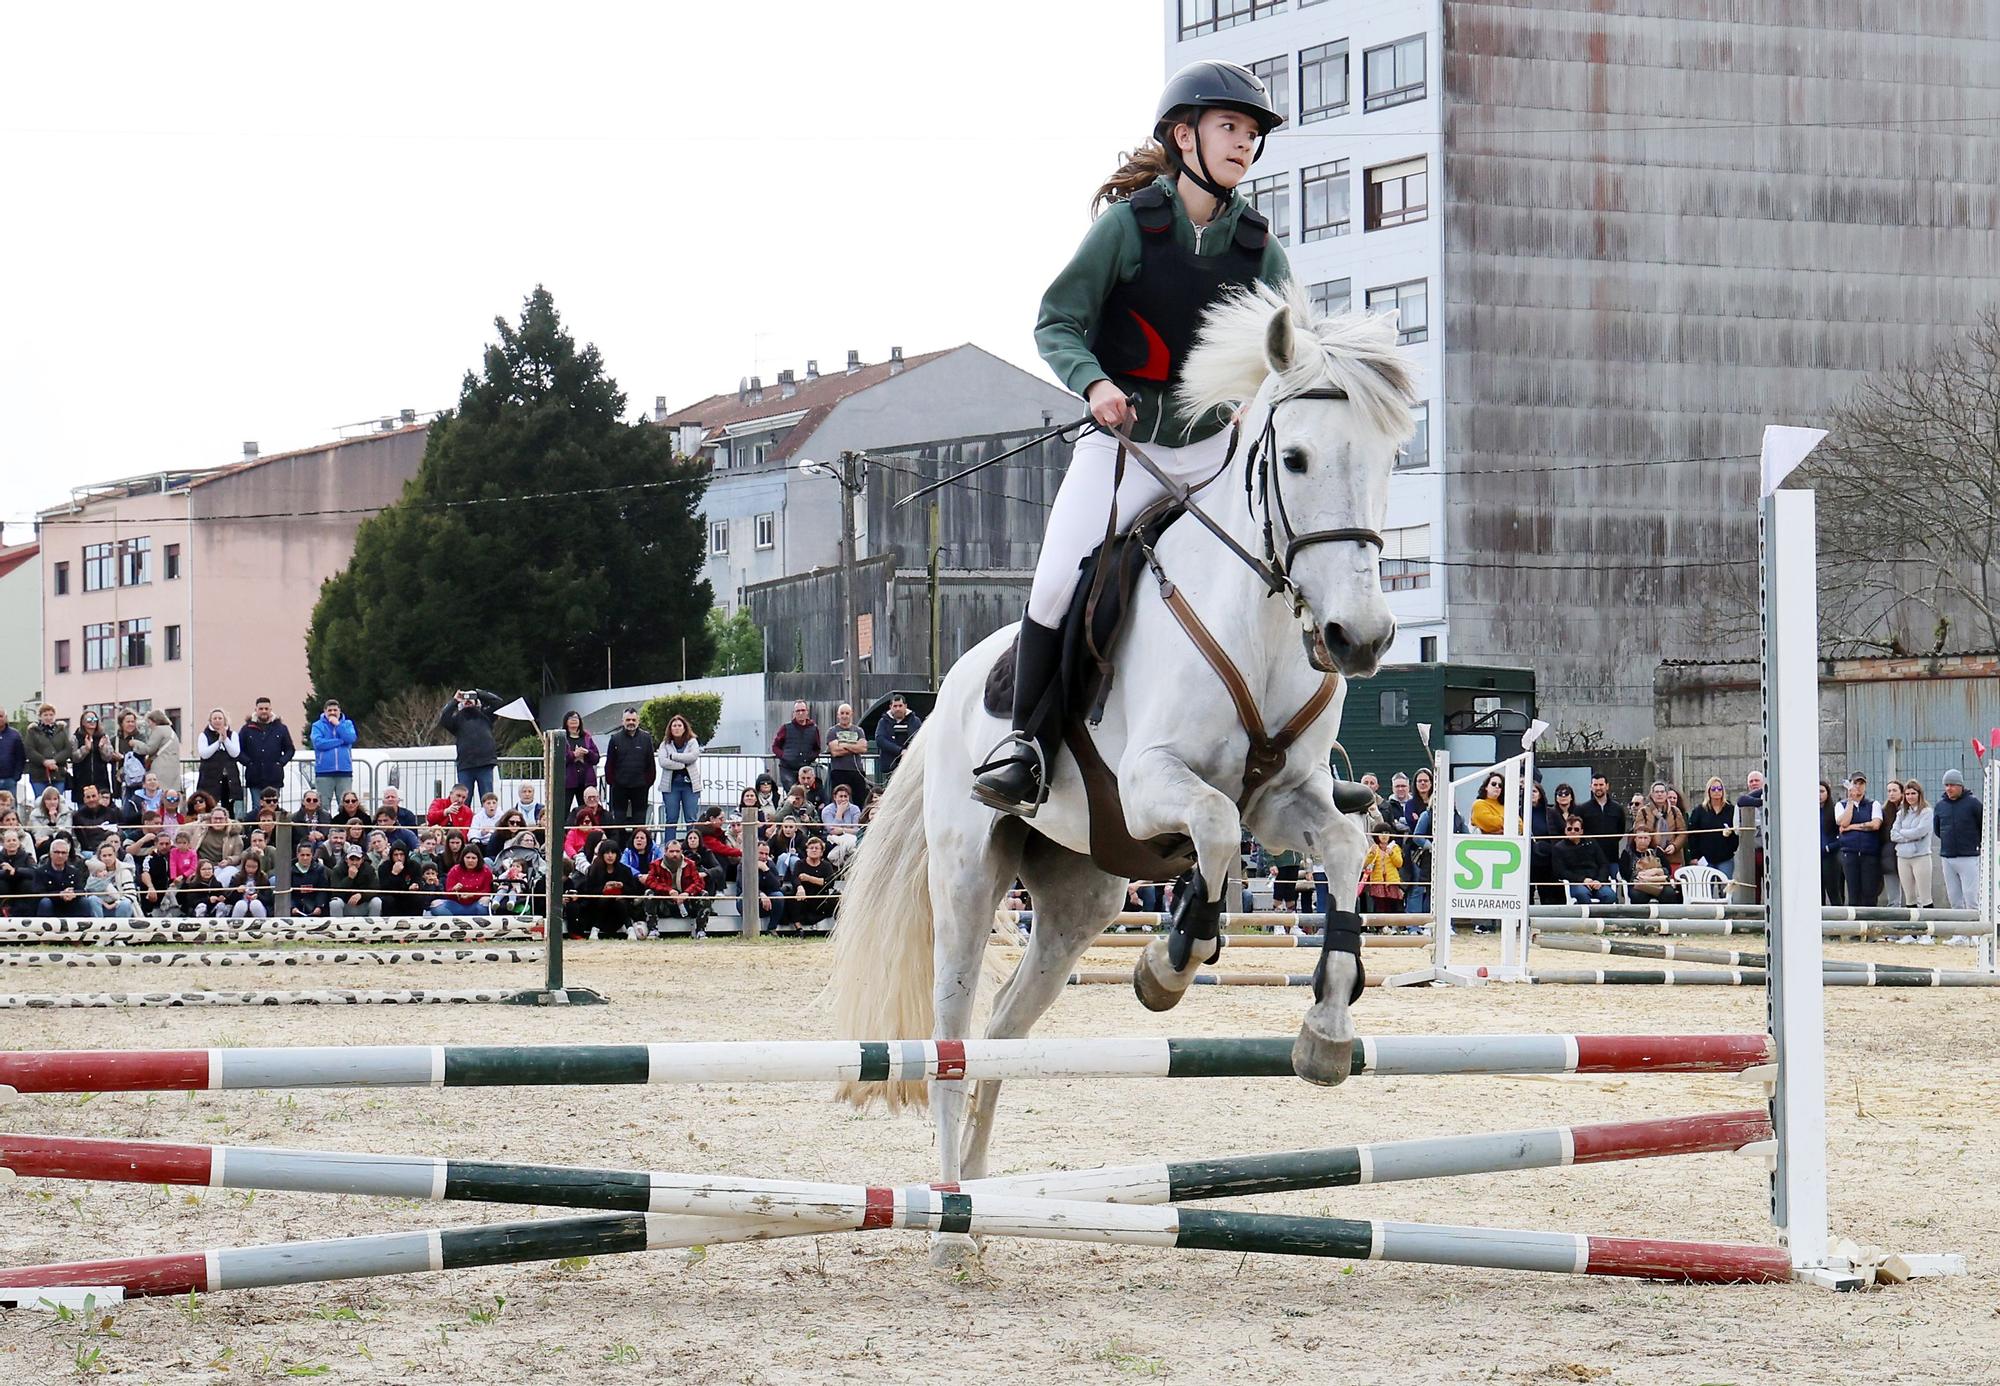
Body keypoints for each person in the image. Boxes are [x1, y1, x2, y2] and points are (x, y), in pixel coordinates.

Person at [972, 59, 1289, 815]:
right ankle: (1025, 745)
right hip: (1127, 449)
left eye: (1251, 133)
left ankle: (1302, 752)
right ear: (1184, 136)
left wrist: (1257, 400)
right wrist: (1094, 383)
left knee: (1280, 572)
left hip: (1216, 453)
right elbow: (1057, 322)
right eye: (1230, 128)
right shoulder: (1128, 228)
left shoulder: (1259, 247)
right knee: (1056, 581)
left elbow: (1288, 346)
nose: (1245, 144)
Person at [601, 708, 657, 839]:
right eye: (628, 720)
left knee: (639, 822)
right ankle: (618, 849)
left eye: (633, 720)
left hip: (640, 787)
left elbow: (650, 763)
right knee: (619, 821)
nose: (631, 722)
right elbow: (610, 763)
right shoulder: (615, 739)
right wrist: (613, 782)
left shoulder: (646, 738)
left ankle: (639, 849)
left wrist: (647, 782)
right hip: (620, 787)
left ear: (638, 721)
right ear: (622, 721)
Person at [236, 698, 296, 819]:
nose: (264, 711)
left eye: (266, 709)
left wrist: (280, 763)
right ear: (256, 710)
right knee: (257, 809)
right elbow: (238, 750)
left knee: (273, 808)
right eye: (261, 709)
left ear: (271, 710)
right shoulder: (246, 729)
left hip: (274, 776)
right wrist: (249, 763)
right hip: (254, 777)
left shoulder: (281, 728)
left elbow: (290, 749)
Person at [439, 688, 505, 798]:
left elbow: (498, 703)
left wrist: (478, 693)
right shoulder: (456, 720)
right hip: (465, 765)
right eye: (465, 699)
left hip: (485, 764)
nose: (468, 701)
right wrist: (455, 700)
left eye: (471, 699)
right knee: (463, 800)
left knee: (488, 799)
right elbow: (444, 717)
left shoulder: (486, 715)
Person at [565, 839, 637, 939]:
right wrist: (603, 890)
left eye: (613, 852)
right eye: (607, 852)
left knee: (620, 902)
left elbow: (633, 892)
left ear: (617, 854)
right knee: (606, 899)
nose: (610, 855)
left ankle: (630, 929)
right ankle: (595, 929)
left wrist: (622, 887)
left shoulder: (625, 870)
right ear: (602, 854)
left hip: (619, 908)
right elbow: (589, 892)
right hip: (598, 908)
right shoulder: (593, 870)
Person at [1935, 769, 1983, 910]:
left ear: (1960, 785)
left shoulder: (1973, 804)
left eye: (1952, 785)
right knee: (1954, 898)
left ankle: (1975, 930)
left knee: (1971, 897)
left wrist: (1974, 844)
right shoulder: (1940, 806)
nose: (1949, 788)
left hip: (1968, 856)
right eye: (1946, 785)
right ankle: (1959, 931)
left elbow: (1983, 826)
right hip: (1947, 857)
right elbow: (1937, 829)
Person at [643, 838, 710, 936]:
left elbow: (699, 883)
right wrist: (668, 890)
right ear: (665, 852)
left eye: (677, 851)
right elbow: (650, 881)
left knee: (705, 894)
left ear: (681, 851)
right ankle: (653, 929)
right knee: (649, 893)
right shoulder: (656, 864)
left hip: (687, 902)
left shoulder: (690, 864)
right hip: (665, 902)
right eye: (671, 851)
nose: (674, 854)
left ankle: (700, 930)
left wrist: (687, 893)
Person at [1834, 773, 1883, 907]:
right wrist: (1851, 801)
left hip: (1869, 853)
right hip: (1850, 853)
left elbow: (1875, 825)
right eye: (1855, 783)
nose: (1858, 787)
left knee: (1869, 893)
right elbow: (1843, 823)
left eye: (1861, 784)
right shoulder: (1841, 805)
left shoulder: (1873, 804)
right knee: (1853, 892)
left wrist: (1852, 827)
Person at [1890, 779, 1935, 909]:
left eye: (1913, 793)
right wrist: (1909, 836)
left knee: (1924, 895)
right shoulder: (1901, 813)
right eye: (1907, 794)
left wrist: (1903, 833)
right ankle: (1913, 927)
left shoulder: (1926, 812)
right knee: (1909, 897)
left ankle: (1930, 924)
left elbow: (1920, 832)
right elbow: (1893, 834)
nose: (1910, 796)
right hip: (1903, 857)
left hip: (1921, 856)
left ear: (1919, 794)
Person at [655, 715, 702, 837]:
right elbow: (663, 762)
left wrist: (673, 756)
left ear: (685, 728)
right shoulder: (664, 744)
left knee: (691, 819)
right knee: (671, 818)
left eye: (679, 726)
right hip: (671, 787)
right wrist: (682, 765)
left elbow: (693, 757)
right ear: (670, 729)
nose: (677, 728)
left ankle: (692, 846)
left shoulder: (692, 742)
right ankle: (669, 846)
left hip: (690, 786)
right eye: (674, 726)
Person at [1553, 815, 1616, 904]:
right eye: (1569, 829)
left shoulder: (1592, 843)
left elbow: (1603, 863)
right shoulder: (1559, 848)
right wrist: (1582, 880)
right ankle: (1590, 917)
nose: (1573, 832)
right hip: (1576, 883)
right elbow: (1560, 871)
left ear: (1582, 831)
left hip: (1596, 881)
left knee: (1610, 895)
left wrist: (1599, 880)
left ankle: (1600, 916)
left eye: (1576, 829)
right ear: (1565, 831)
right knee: (1582, 894)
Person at [785, 835, 838, 934]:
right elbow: (795, 878)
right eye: (811, 848)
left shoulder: (826, 865)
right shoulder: (799, 864)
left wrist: (808, 878)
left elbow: (829, 883)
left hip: (820, 901)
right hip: (804, 899)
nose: (814, 850)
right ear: (807, 850)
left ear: (821, 852)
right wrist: (800, 887)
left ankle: (839, 928)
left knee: (838, 896)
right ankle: (799, 929)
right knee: (791, 896)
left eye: (817, 848)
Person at [309, 699, 359, 801]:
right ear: (325, 711)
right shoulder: (317, 725)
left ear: (339, 711)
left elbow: (351, 738)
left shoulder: (347, 724)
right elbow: (319, 743)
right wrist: (340, 741)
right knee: (323, 804)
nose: (332, 713)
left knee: (345, 803)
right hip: (324, 771)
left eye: (335, 710)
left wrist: (338, 725)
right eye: (330, 710)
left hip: (344, 771)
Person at [1686, 777, 1738, 873]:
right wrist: (1694, 856)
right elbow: (1692, 835)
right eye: (1713, 789)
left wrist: (1731, 838)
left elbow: (1737, 831)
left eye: (1719, 788)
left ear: (1723, 791)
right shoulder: (1699, 811)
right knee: (1706, 887)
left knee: (1727, 886)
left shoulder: (1731, 810)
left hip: (1726, 857)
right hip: (1705, 858)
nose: (1716, 791)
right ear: (1708, 791)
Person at [1633, 783, 1687, 874]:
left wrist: (1674, 845)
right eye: (1656, 792)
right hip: (1651, 858)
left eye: (1662, 791)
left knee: (1674, 886)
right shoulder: (1643, 812)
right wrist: (1655, 847)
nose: (1659, 794)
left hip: (1673, 857)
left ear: (1666, 794)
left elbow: (1682, 832)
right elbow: (1639, 833)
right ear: (1652, 795)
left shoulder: (1674, 811)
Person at [23, 704, 72, 803]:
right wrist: (44, 761)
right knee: (41, 802)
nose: (48, 717)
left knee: (57, 803)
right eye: (45, 715)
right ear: (40, 716)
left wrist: (55, 760)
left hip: (58, 773)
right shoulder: (33, 731)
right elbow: (29, 750)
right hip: (39, 775)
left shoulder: (61, 731)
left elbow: (67, 749)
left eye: (51, 715)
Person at [557, 711, 599, 826]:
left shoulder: (586, 737)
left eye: (576, 718)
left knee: (587, 810)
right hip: (568, 781)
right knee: (564, 810)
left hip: (586, 780)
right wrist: (574, 755)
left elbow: (596, 758)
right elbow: (560, 759)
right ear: (566, 722)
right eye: (571, 718)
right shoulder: (561, 737)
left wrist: (587, 753)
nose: (574, 720)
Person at [770, 701, 822, 793]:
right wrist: (784, 756)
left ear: (807, 712)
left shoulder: (814, 729)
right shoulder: (785, 728)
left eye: (803, 710)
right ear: (794, 713)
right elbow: (775, 746)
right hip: (788, 769)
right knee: (793, 794)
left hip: (805, 769)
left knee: (806, 795)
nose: (800, 713)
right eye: (798, 711)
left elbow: (817, 748)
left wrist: (810, 757)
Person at [1620, 827, 1682, 904]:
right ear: (1635, 839)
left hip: (1657, 882)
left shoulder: (1657, 851)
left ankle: (1666, 915)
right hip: (1638, 884)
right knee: (1637, 895)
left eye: (1646, 838)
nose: (1643, 840)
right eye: (1640, 838)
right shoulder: (1627, 853)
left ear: (1650, 839)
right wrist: (1640, 874)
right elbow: (1625, 874)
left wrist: (1656, 871)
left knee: (1669, 893)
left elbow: (1668, 870)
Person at [432, 845, 495, 917]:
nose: (470, 860)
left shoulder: (486, 871)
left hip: (476, 904)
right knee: (435, 905)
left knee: (486, 901)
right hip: (456, 904)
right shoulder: (455, 870)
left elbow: (487, 891)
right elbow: (448, 892)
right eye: (467, 857)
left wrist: (472, 895)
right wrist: (454, 890)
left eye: (473, 858)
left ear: (478, 859)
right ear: (463, 858)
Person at [825, 703, 870, 804]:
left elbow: (863, 748)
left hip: (857, 771)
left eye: (847, 713)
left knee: (860, 801)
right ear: (838, 715)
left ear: (851, 714)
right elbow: (835, 751)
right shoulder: (832, 731)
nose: (844, 716)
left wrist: (844, 745)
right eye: (842, 713)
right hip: (839, 771)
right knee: (839, 800)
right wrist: (854, 747)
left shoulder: (859, 731)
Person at [874, 693, 923, 782]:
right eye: (895, 706)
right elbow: (880, 740)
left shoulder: (915, 721)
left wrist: (908, 752)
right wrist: (900, 751)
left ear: (905, 706)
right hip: (890, 767)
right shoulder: (883, 722)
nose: (898, 709)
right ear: (890, 707)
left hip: (910, 767)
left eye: (900, 706)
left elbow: (920, 740)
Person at [1527, 782, 1559, 905]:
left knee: (1548, 894)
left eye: (1534, 791)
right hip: (1527, 859)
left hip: (1547, 859)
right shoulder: (1519, 813)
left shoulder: (1551, 812)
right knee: (1527, 893)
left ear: (1540, 794)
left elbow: (1561, 832)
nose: (1531, 794)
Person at [1358, 828, 1403, 914]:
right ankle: (1380, 926)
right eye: (1381, 833)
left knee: (1392, 905)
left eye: (1386, 832)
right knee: (1379, 905)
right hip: (1377, 882)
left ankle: (1392, 925)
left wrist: (1392, 854)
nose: (1384, 835)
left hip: (1391, 882)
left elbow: (1399, 864)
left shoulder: (1395, 847)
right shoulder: (1374, 848)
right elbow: (1365, 864)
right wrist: (1371, 854)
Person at [1876, 779, 1906, 907]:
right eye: (1889, 791)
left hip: (1906, 853)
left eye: (1894, 790)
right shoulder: (1884, 811)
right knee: (1893, 895)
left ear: (1902, 792)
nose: (1891, 793)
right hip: (1889, 855)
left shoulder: (1908, 810)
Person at [821, 784, 862, 865]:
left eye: (845, 796)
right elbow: (832, 831)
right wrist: (839, 813)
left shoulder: (855, 809)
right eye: (840, 796)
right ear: (835, 797)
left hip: (851, 839)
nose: (843, 799)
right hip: (832, 840)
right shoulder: (827, 810)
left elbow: (856, 830)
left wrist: (841, 830)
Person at [1818, 781, 1845, 905]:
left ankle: (1839, 920)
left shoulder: (1834, 811)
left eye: (1822, 791)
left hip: (1831, 857)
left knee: (1834, 890)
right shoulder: (1807, 813)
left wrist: (1829, 848)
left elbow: (1842, 836)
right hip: (1814, 857)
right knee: (1817, 893)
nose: (1818, 794)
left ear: (1828, 793)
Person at [287, 842, 330, 917]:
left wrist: (319, 906)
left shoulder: (320, 869)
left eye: (308, 855)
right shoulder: (289, 870)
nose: (305, 858)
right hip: (295, 906)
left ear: (312, 855)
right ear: (297, 855)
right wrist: (292, 907)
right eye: (302, 855)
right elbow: (287, 892)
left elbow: (322, 890)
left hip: (313, 904)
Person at [0, 708, 25, 803]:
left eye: (1, 716)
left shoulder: (15, 735)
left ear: (6, 718)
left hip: (10, 780)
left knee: (10, 808)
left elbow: (21, 757)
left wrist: (16, 777)